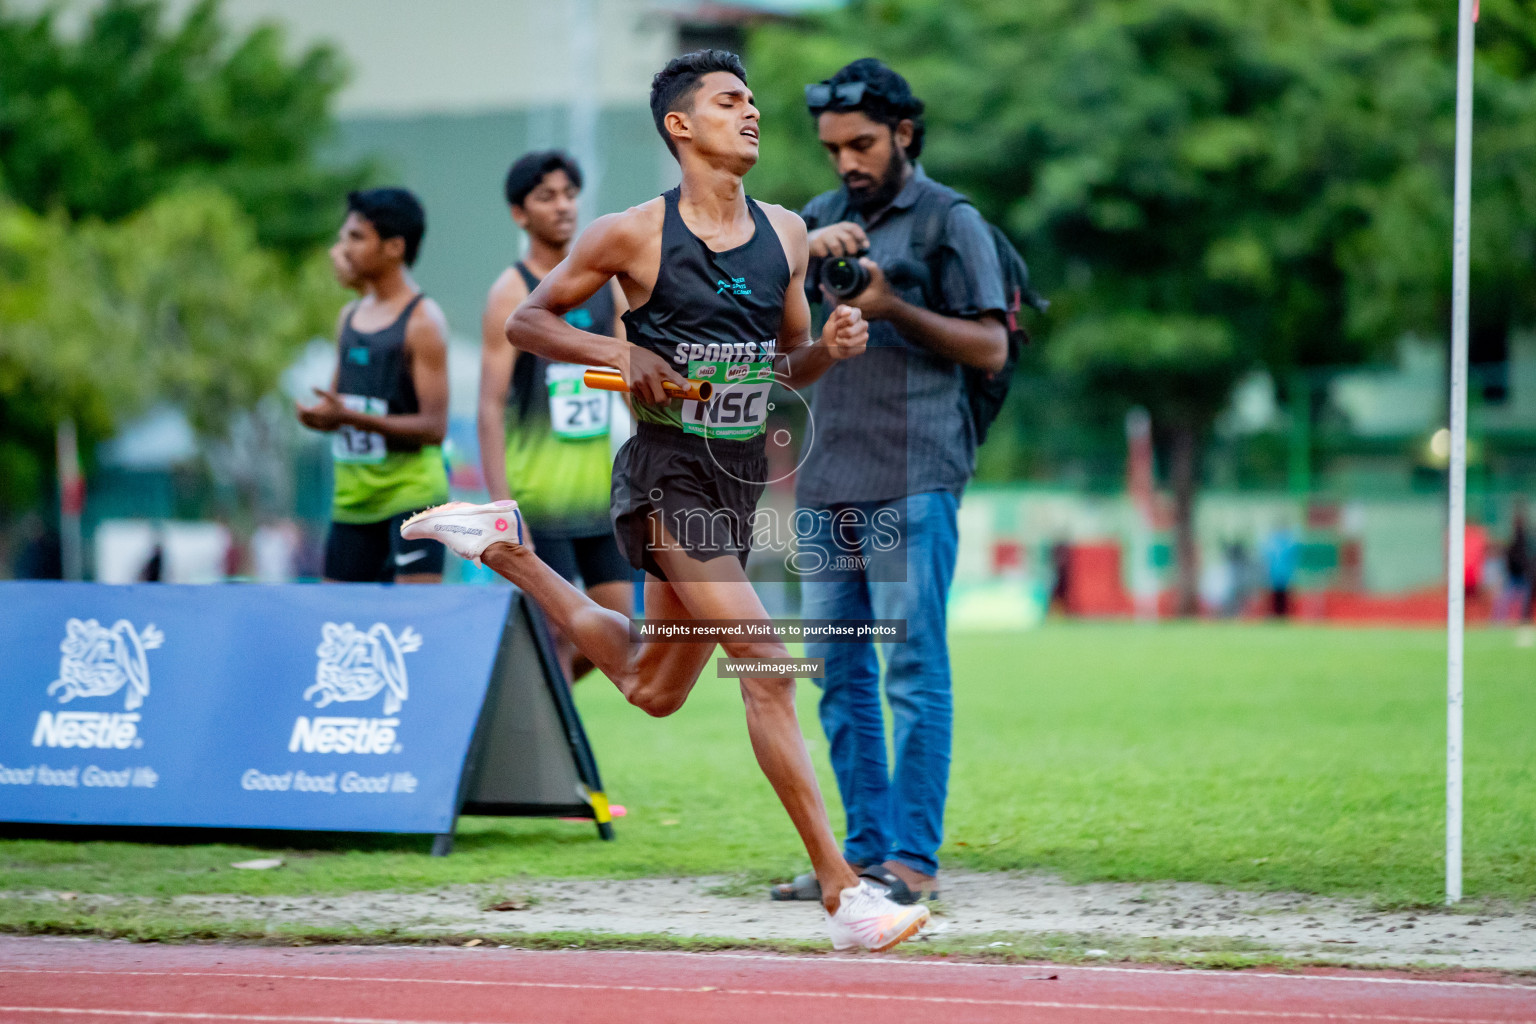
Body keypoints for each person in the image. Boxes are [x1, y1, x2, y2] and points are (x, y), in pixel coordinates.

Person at [402, 50, 929, 951]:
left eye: (754, 103)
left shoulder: (789, 234)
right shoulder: (631, 233)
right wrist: (621, 358)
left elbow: (782, 367)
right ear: (680, 126)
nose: (752, 114)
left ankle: (507, 551)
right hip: (663, 480)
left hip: (734, 488)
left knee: (652, 685)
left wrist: (831, 352)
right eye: (731, 102)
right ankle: (846, 895)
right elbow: (529, 321)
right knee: (767, 665)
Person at [769, 58, 1009, 907]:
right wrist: (797, 251)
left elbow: (991, 347)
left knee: (910, 669)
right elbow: (766, 333)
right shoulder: (818, 221)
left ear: (904, 134)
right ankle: (857, 854)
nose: (847, 164)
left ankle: (912, 860)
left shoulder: (950, 220)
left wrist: (893, 307)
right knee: (837, 673)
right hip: (827, 475)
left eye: (863, 145)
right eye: (833, 149)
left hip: (915, 472)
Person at [478, 151, 632, 681]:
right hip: (538, 497)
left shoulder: (603, 285)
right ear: (520, 214)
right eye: (547, 197)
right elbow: (490, 405)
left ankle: (536, 696)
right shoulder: (511, 292)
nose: (563, 206)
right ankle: (553, 756)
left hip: (598, 495)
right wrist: (503, 506)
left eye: (569, 194)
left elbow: (632, 383)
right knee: (559, 636)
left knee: (622, 631)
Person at [296, 188, 451, 584]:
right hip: (352, 501)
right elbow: (337, 404)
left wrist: (347, 416)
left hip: (412, 498)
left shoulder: (423, 320)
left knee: (413, 628)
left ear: (394, 247)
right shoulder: (348, 316)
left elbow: (434, 428)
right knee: (342, 627)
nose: (342, 248)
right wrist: (322, 418)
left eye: (355, 237)